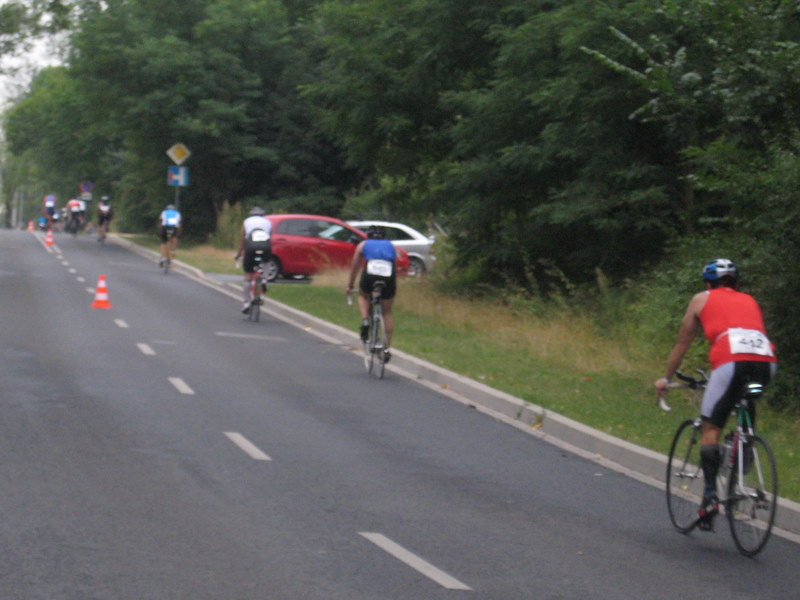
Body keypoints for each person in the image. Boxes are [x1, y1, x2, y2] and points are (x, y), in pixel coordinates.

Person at [654, 258, 777, 530]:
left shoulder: (701, 299)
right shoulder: (750, 300)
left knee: (711, 428)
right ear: (735, 282)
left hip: (731, 360)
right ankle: (744, 449)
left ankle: (709, 498)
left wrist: (666, 378)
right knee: (746, 397)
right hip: (767, 361)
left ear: (708, 283)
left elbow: (682, 342)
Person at [345, 225, 397, 363]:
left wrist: (350, 284)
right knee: (387, 312)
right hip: (388, 276)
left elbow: (355, 266)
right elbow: (394, 264)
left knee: (363, 295)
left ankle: (366, 320)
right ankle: (386, 348)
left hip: (370, 274)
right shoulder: (391, 245)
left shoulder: (363, 244)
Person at [234, 206, 272, 313]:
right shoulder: (268, 222)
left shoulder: (246, 221)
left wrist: (239, 253)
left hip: (251, 247)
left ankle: (246, 302)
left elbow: (243, 239)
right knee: (267, 261)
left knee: (248, 275)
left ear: (252, 214)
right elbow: (270, 238)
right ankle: (264, 278)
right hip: (265, 246)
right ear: (262, 214)